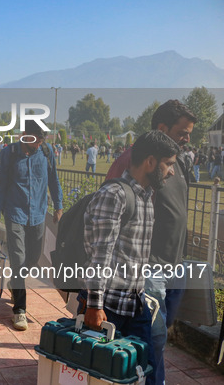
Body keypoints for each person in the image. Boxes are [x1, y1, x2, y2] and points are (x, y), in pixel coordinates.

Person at [106, 99, 196, 385]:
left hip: (174, 264)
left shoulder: (178, 162)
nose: (187, 138)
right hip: (147, 267)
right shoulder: (129, 162)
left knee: (159, 332)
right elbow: (108, 215)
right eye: (182, 132)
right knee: (152, 336)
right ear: (162, 128)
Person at [82, 130, 180, 385]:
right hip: (108, 310)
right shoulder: (114, 195)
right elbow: (100, 256)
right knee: (101, 375)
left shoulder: (146, 197)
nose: (172, 172)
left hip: (135, 305)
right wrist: (94, 305)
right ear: (150, 162)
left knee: (140, 372)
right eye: (168, 164)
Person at [0, 120, 63, 331]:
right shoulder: (9, 154)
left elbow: (53, 180)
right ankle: (19, 310)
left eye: (42, 140)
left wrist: (58, 205)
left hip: (38, 214)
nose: (39, 143)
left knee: (33, 257)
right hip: (15, 213)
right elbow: (0, 185)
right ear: (24, 135)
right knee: (18, 258)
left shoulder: (46, 152)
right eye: (36, 139)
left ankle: (15, 283)